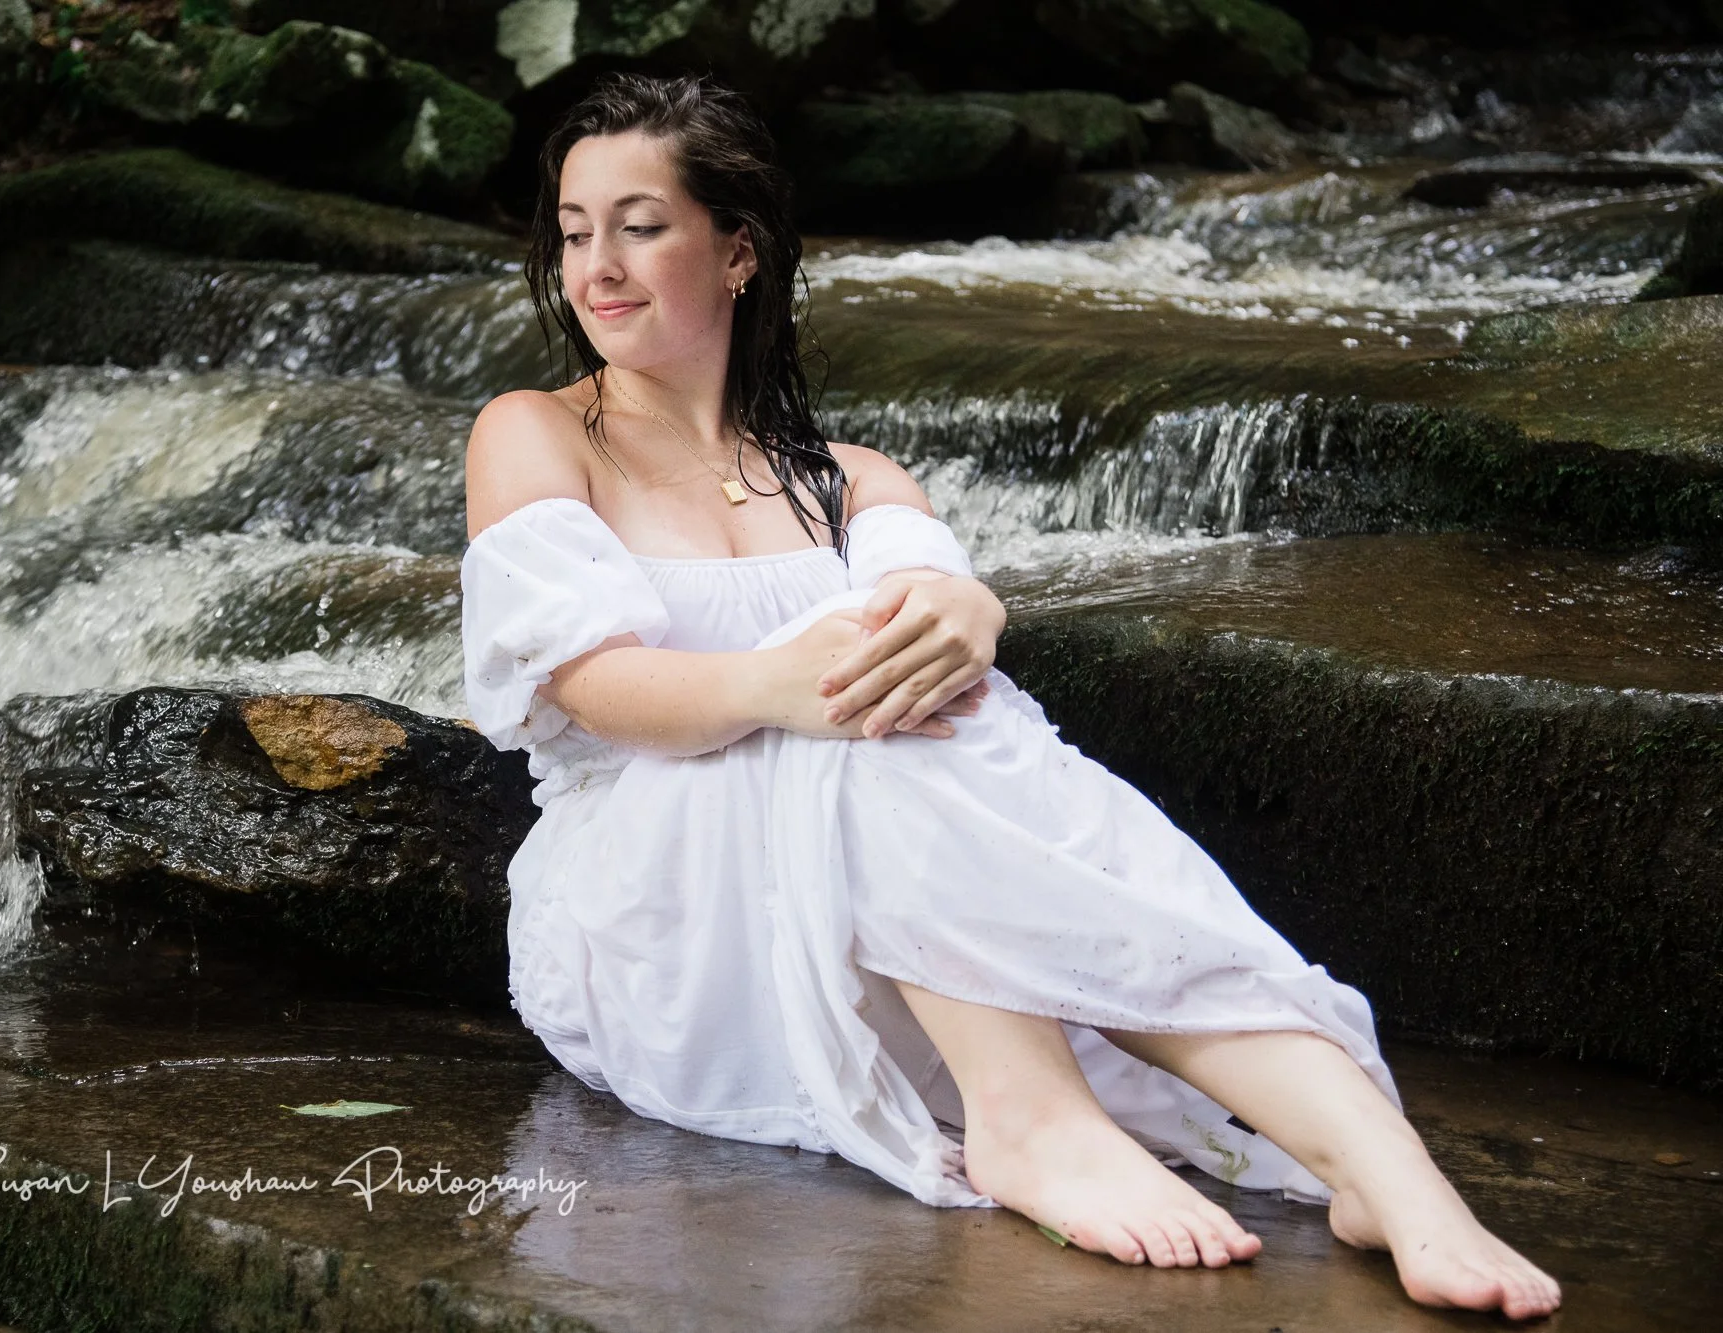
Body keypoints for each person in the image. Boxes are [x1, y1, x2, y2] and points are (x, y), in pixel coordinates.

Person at [457, 70, 1561, 1321]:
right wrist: (785, 683)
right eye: (574, 232)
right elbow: (591, 684)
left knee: (903, 681)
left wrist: (964, 611)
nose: (596, 267)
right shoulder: (536, 431)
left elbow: (932, 606)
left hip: (889, 917)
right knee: (859, 687)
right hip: (658, 916)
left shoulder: (850, 477)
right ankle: (1030, 1115)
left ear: (738, 250)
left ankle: (1382, 1171)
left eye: (639, 225)